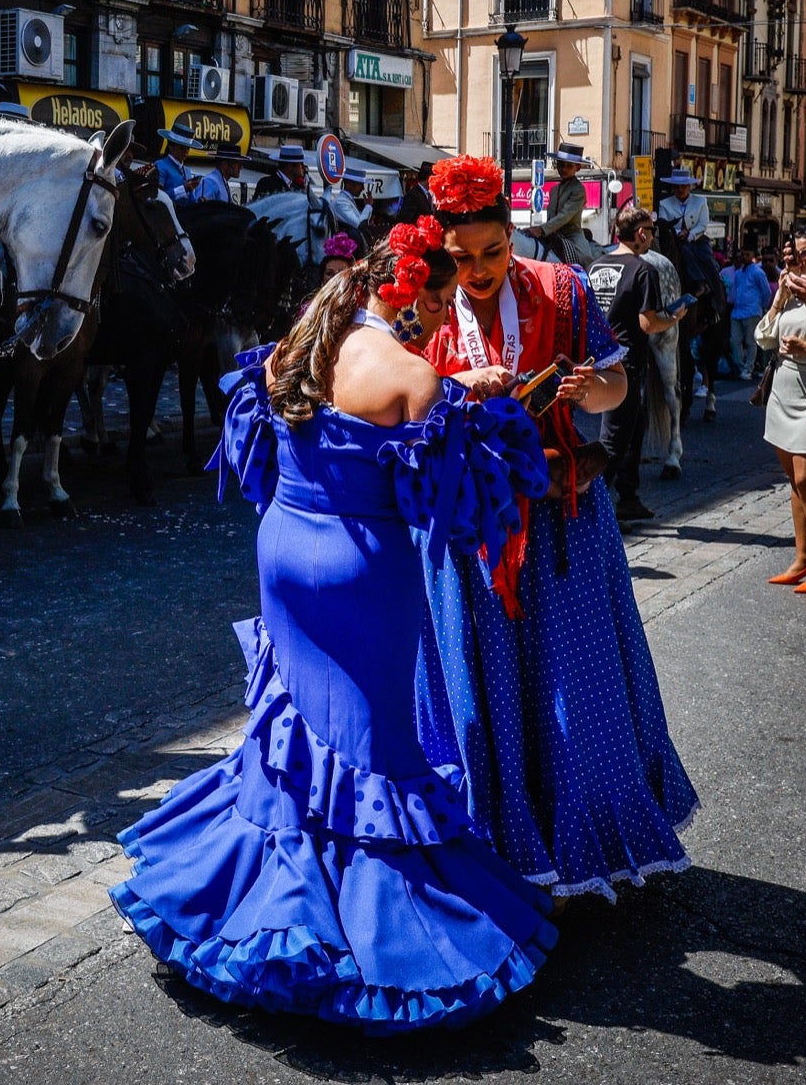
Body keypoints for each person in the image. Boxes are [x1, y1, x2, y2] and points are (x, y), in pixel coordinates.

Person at [111, 223, 557, 1030]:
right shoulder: (413, 373)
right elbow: (459, 505)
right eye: (440, 300)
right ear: (411, 296)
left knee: (292, 731)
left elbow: (261, 433)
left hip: (284, 545)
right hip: (361, 569)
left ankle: (251, 892)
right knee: (371, 740)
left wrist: (460, 396)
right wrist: (490, 403)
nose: (441, 317)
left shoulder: (303, 338)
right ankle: (358, 932)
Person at [416, 152, 698, 903]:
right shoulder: (428, 305)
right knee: (487, 690)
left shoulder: (561, 287)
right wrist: (450, 387)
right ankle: (497, 840)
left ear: (514, 238)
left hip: (560, 520)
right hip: (470, 526)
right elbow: (401, 402)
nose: (478, 270)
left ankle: (586, 835)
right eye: (462, 257)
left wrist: (589, 387)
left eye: (493, 252)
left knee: (576, 687)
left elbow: (617, 382)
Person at [588, 205, 685, 523]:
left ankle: (629, 495)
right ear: (641, 234)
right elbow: (648, 324)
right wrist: (674, 316)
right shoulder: (644, 270)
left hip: (600, 357)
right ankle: (591, 507)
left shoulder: (597, 264)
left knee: (635, 424)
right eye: (652, 232)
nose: (652, 238)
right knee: (613, 440)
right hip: (626, 362)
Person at [755, 225, 806, 594]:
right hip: (783, 393)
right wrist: (778, 300)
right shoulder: (791, 289)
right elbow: (764, 337)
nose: (800, 259)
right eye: (796, 253)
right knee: (795, 482)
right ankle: (803, 558)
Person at [526, 143, 598, 267]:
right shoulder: (554, 190)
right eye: (561, 165)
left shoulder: (578, 189)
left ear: (578, 168)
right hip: (551, 233)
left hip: (571, 235)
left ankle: (590, 281)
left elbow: (565, 216)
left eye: (569, 166)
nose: (564, 169)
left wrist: (542, 229)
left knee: (586, 257)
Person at [730, 247, 773, 378]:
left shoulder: (758, 273)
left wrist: (761, 306)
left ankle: (749, 368)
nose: (744, 257)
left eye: (747, 254)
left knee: (750, 342)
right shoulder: (738, 273)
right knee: (734, 341)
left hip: (752, 311)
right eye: (742, 254)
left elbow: (767, 292)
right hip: (737, 311)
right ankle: (741, 366)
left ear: (753, 256)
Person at [153, 119, 204, 200]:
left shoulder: (187, 171)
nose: (186, 152)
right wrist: (184, 189)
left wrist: (199, 201)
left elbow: (190, 200)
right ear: (171, 147)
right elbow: (158, 197)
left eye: (187, 148)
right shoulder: (160, 166)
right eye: (181, 148)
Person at [657, 168, 710, 242]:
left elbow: (702, 224)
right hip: (673, 240)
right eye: (677, 187)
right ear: (673, 188)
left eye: (683, 186)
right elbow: (663, 225)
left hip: (697, 240)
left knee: (706, 253)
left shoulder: (701, 201)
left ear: (689, 187)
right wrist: (678, 233)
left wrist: (690, 235)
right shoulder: (664, 204)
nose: (680, 190)